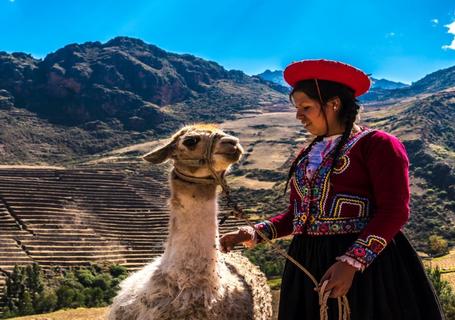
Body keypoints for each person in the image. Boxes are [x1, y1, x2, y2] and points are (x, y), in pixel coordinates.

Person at [220, 59, 445, 320]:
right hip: (307, 264)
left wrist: (351, 262)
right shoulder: (308, 155)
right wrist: (255, 231)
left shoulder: (378, 145)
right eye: (297, 108)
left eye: (306, 107)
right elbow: (297, 216)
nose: (298, 116)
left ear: (333, 104)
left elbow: (395, 211)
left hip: (368, 270)